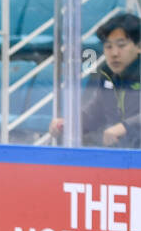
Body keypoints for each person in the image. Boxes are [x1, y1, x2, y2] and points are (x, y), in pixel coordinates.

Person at [50, 12, 141, 147]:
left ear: (139, 46)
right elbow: (95, 112)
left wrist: (126, 127)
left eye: (121, 45)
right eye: (108, 46)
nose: (114, 53)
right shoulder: (108, 75)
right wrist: (68, 124)